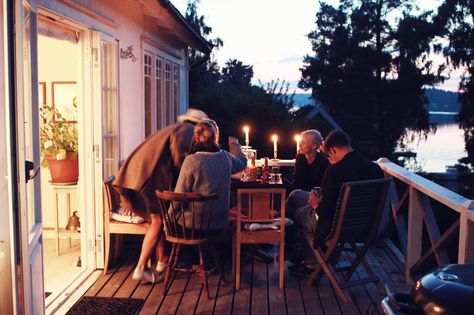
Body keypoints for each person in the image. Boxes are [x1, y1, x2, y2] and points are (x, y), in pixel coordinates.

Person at [113, 108, 208, 283]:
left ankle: (162, 261)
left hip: (138, 174)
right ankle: (141, 268)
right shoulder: (187, 132)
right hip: (146, 178)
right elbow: (181, 160)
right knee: (158, 220)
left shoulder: (177, 128)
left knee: (156, 220)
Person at [286, 129, 383, 275]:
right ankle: (296, 249)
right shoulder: (374, 168)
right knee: (295, 196)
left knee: (298, 213)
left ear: (333, 149)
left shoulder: (334, 171)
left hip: (336, 226)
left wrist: (315, 204)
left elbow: (324, 212)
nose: (329, 159)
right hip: (364, 224)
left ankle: (312, 262)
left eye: (329, 155)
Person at [173, 119, 247, 231]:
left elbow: (179, 196)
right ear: (215, 137)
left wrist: (167, 220)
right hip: (219, 223)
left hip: (195, 225)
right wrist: (233, 143)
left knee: (167, 218)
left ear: (196, 138)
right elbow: (242, 161)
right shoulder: (226, 157)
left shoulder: (191, 160)